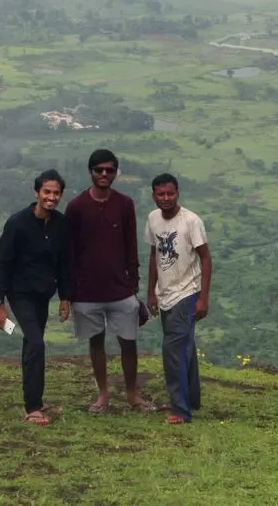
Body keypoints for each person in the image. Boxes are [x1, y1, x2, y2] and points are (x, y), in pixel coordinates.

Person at [66, 149, 153, 413]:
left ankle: (131, 394)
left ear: (116, 172)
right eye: (99, 169)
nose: (104, 174)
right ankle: (102, 395)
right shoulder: (76, 207)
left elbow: (131, 245)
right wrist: (69, 291)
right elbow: (69, 251)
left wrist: (133, 285)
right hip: (87, 291)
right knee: (96, 342)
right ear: (90, 172)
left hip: (121, 289)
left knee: (129, 341)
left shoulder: (124, 204)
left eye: (110, 170)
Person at [0, 169, 72, 426]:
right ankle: (33, 408)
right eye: (47, 192)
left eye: (56, 193)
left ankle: (32, 400)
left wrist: (64, 297)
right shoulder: (17, 224)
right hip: (20, 293)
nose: (51, 197)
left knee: (31, 344)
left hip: (43, 293)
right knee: (37, 344)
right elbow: (3, 263)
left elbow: (64, 263)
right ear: (36, 192)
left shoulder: (61, 224)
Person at [144, 173, 212, 425]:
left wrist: (203, 298)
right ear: (153, 195)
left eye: (170, 193)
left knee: (172, 350)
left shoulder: (191, 221)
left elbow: (205, 258)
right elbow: (154, 255)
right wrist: (151, 291)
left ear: (178, 193)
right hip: (166, 293)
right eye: (160, 194)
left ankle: (181, 410)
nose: (165, 198)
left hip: (187, 292)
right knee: (184, 349)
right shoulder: (153, 219)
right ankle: (191, 399)